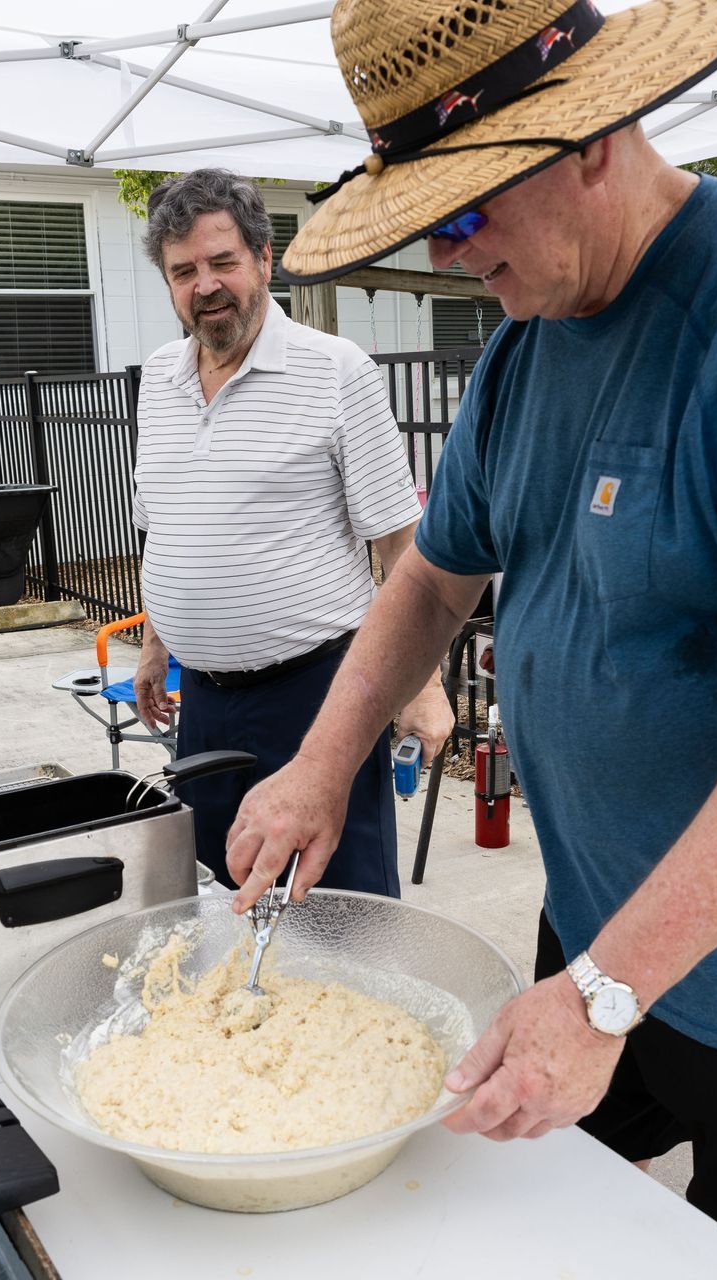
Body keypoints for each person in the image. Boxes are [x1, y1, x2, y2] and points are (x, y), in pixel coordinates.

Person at [224, 2, 717, 1277]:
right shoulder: (527, 343)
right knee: (566, 1230)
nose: (454, 255)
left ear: (590, 141)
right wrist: (321, 761)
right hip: (598, 923)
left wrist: (603, 996)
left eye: (467, 213)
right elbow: (431, 580)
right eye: (428, 223)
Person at [129, 168, 453, 897]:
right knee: (220, 901)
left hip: (320, 700)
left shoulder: (337, 371)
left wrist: (422, 684)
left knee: (339, 911)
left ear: (264, 259)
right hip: (204, 708)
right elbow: (162, 525)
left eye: (222, 262)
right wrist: (155, 647)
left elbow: (402, 545)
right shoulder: (158, 379)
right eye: (184, 272)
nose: (205, 286)